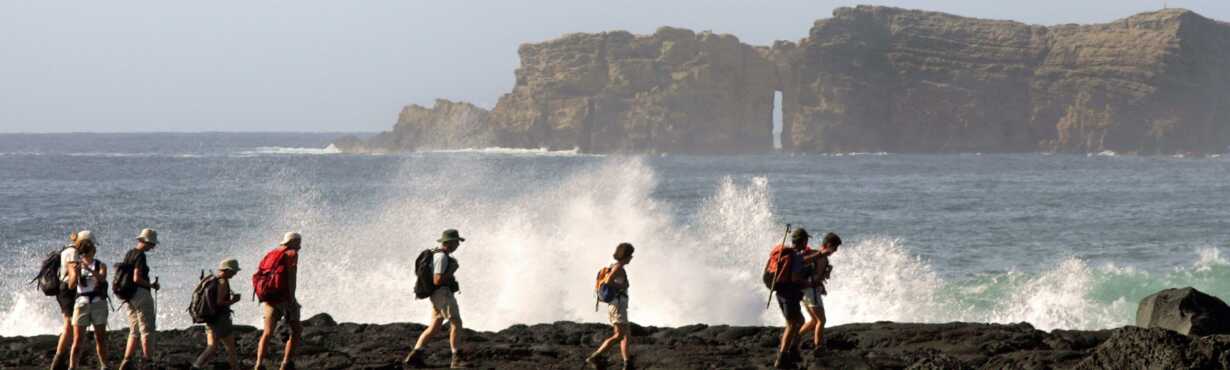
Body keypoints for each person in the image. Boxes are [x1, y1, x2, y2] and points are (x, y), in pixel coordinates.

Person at [403, 229, 466, 369]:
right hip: (442, 293)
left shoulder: (437, 255)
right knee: (456, 321)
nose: (458, 245)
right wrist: (451, 270)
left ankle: (415, 355)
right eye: (457, 242)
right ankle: (456, 359)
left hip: (437, 295)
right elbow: (437, 280)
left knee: (436, 324)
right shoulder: (442, 257)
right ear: (449, 242)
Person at [254, 232, 302, 370]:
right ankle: (286, 363)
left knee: (267, 332)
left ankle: (258, 364)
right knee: (296, 330)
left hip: (269, 297)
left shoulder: (271, 254)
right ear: (292, 242)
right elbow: (292, 278)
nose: (300, 246)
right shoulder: (291, 254)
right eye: (298, 243)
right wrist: (292, 299)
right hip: (285, 298)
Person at [765, 228, 811, 369]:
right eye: (806, 240)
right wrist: (807, 280)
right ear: (803, 241)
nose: (807, 243)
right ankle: (782, 356)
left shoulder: (784, 253)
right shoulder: (795, 257)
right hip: (790, 294)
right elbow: (795, 278)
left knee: (799, 321)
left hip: (780, 292)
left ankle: (791, 348)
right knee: (792, 325)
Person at [587, 243, 635, 370]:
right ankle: (595, 357)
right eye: (631, 255)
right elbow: (607, 282)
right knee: (619, 335)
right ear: (626, 256)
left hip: (618, 305)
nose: (632, 258)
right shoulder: (618, 268)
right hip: (617, 305)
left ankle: (627, 363)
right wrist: (622, 287)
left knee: (625, 334)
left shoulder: (616, 266)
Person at [120, 229, 160, 370]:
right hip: (141, 294)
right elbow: (137, 278)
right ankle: (148, 361)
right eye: (152, 244)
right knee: (147, 329)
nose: (153, 247)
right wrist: (151, 285)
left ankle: (126, 361)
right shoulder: (140, 256)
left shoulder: (129, 254)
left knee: (134, 330)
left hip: (129, 296)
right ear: (146, 242)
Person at [192, 259, 243, 370]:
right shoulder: (223, 282)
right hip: (221, 320)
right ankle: (235, 368)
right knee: (231, 348)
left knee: (212, 347)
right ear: (227, 270)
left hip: (210, 318)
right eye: (234, 271)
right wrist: (234, 300)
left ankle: (196, 365)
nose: (235, 273)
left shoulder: (211, 278)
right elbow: (219, 303)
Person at [69, 238, 110, 370]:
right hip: (82, 304)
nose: (88, 254)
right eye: (86, 252)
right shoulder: (75, 265)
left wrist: (90, 270)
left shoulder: (100, 265)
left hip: (98, 303)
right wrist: (75, 272)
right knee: (77, 340)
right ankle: (72, 366)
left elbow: (102, 279)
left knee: (100, 339)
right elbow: (71, 285)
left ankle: (104, 366)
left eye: (89, 251)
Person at [798, 232, 841, 353]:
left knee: (813, 320)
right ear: (828, 244)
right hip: (811, 291)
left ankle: (794, 338)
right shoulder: (820, 257)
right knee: (821, 320)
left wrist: (823, 279)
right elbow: (814, 277)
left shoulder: (814, 254)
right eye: (835, 247)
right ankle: (819, 346)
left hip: (805, 291)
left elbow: (814, 275)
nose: (836, 250)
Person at [51, 231, 82, 370]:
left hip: (63, 289)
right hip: (67, 290)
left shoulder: (67, 250)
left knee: (68, 326)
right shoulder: (73, 252)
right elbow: (72, 275)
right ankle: (57, 361)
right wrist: (75, 285)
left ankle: (59, 359)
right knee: (68, 326)